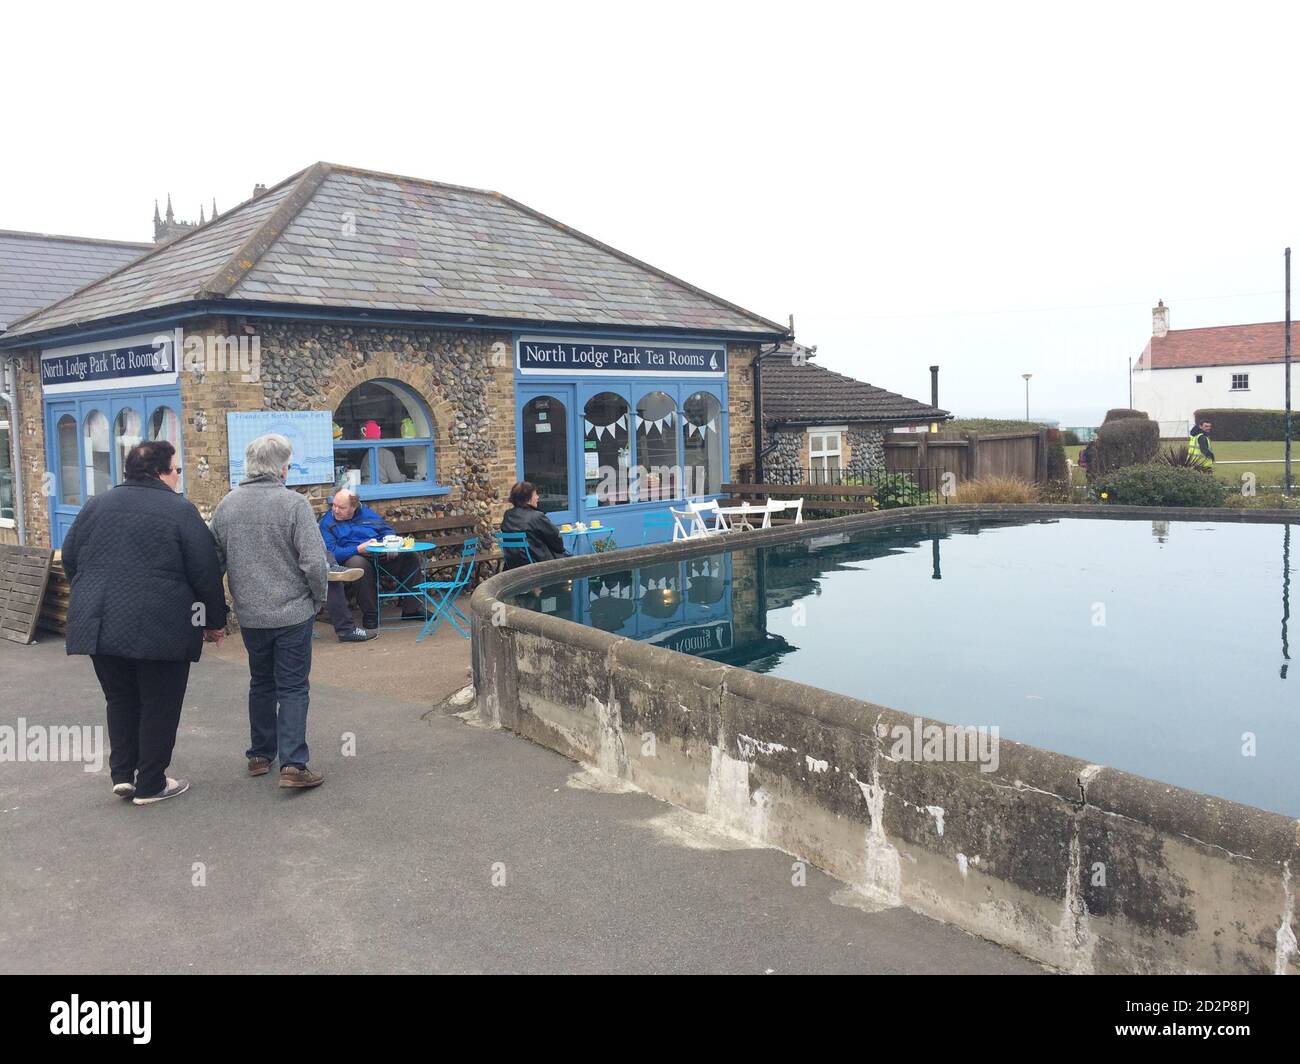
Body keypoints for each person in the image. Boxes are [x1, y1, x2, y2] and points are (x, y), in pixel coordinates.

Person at [61, 440, 227, 806]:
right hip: (160, 624)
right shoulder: (180, 510)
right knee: (159, 702)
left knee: (119, 697)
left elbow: (70, 557)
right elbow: (205, 571)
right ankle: (151, 783)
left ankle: (123, 774)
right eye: (176, 469)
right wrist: (214, 621)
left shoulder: (95, 505)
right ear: (160, 473)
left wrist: (90, 592)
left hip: (100, 621)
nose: (178, 476)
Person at [210, 434, 328, 790]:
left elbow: (213, 562)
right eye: (288, 464)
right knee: (293, 686)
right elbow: (315, 563)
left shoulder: (227, 506)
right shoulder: (294, 504)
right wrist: (317, 599)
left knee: (261, 682)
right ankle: (293, 764)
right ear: (281, 468)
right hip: (291, 612)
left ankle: (260, 755)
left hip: (251, 614)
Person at [320, 488, 425, 632]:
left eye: (341, 507)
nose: (336, 510)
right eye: (334, 505)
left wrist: (390, 544)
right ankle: (370, 614)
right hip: (349, 558)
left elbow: (386, 530)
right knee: (359, 565)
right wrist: (357, 549)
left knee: (410, 558)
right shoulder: (327, 523)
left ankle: (412, 609)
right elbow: (332, 553)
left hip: (378, 555)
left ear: (354, 507)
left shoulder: (368, 514)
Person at [501, 481, 570, 569]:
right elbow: (556, 540)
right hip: (539, 565)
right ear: (527, 499)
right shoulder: (536, 516)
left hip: (513, 566)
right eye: (535, 494)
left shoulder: (508, 515)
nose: (537, 497)